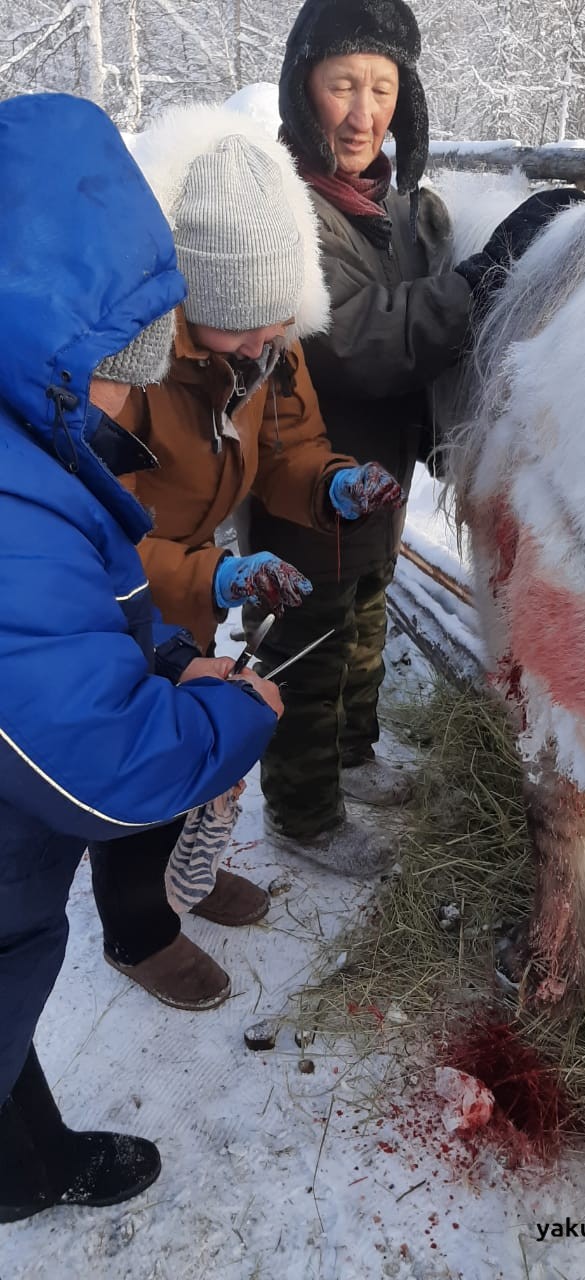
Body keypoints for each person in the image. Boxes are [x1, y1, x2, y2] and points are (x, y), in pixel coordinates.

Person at [0, 93, 284, 1223]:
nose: (129, 399)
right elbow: (100, 763)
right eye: (121, 368)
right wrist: (233, 716)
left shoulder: (37, 456)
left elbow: (88, 607)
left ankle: (27, 1162)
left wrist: (169, 660)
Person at [246, 0, 585, 875]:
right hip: (300, 480)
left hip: (370, 476)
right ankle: (303, 814)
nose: (363, 113)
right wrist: (482, 276)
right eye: (341, 84)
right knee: (308, 650)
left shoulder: (378, 201)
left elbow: (407, 263)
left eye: (382, 86)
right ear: (301, 88)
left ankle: (351, 759)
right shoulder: (286, 212)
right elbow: (359, 342)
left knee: (362, 626)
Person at [87, 104, 406, 1011]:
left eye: (279, 325)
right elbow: (97, 533)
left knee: (202, 741)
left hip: (189, 572)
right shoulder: (134, 365)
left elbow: (288, 448)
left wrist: (332, 483)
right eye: (244, 329)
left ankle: (189, 871)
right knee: (141, 757)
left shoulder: (267, 342)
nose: (267, 348)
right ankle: (138, 930)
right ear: (194, 300)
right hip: (123, 589)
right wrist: (211, 576)